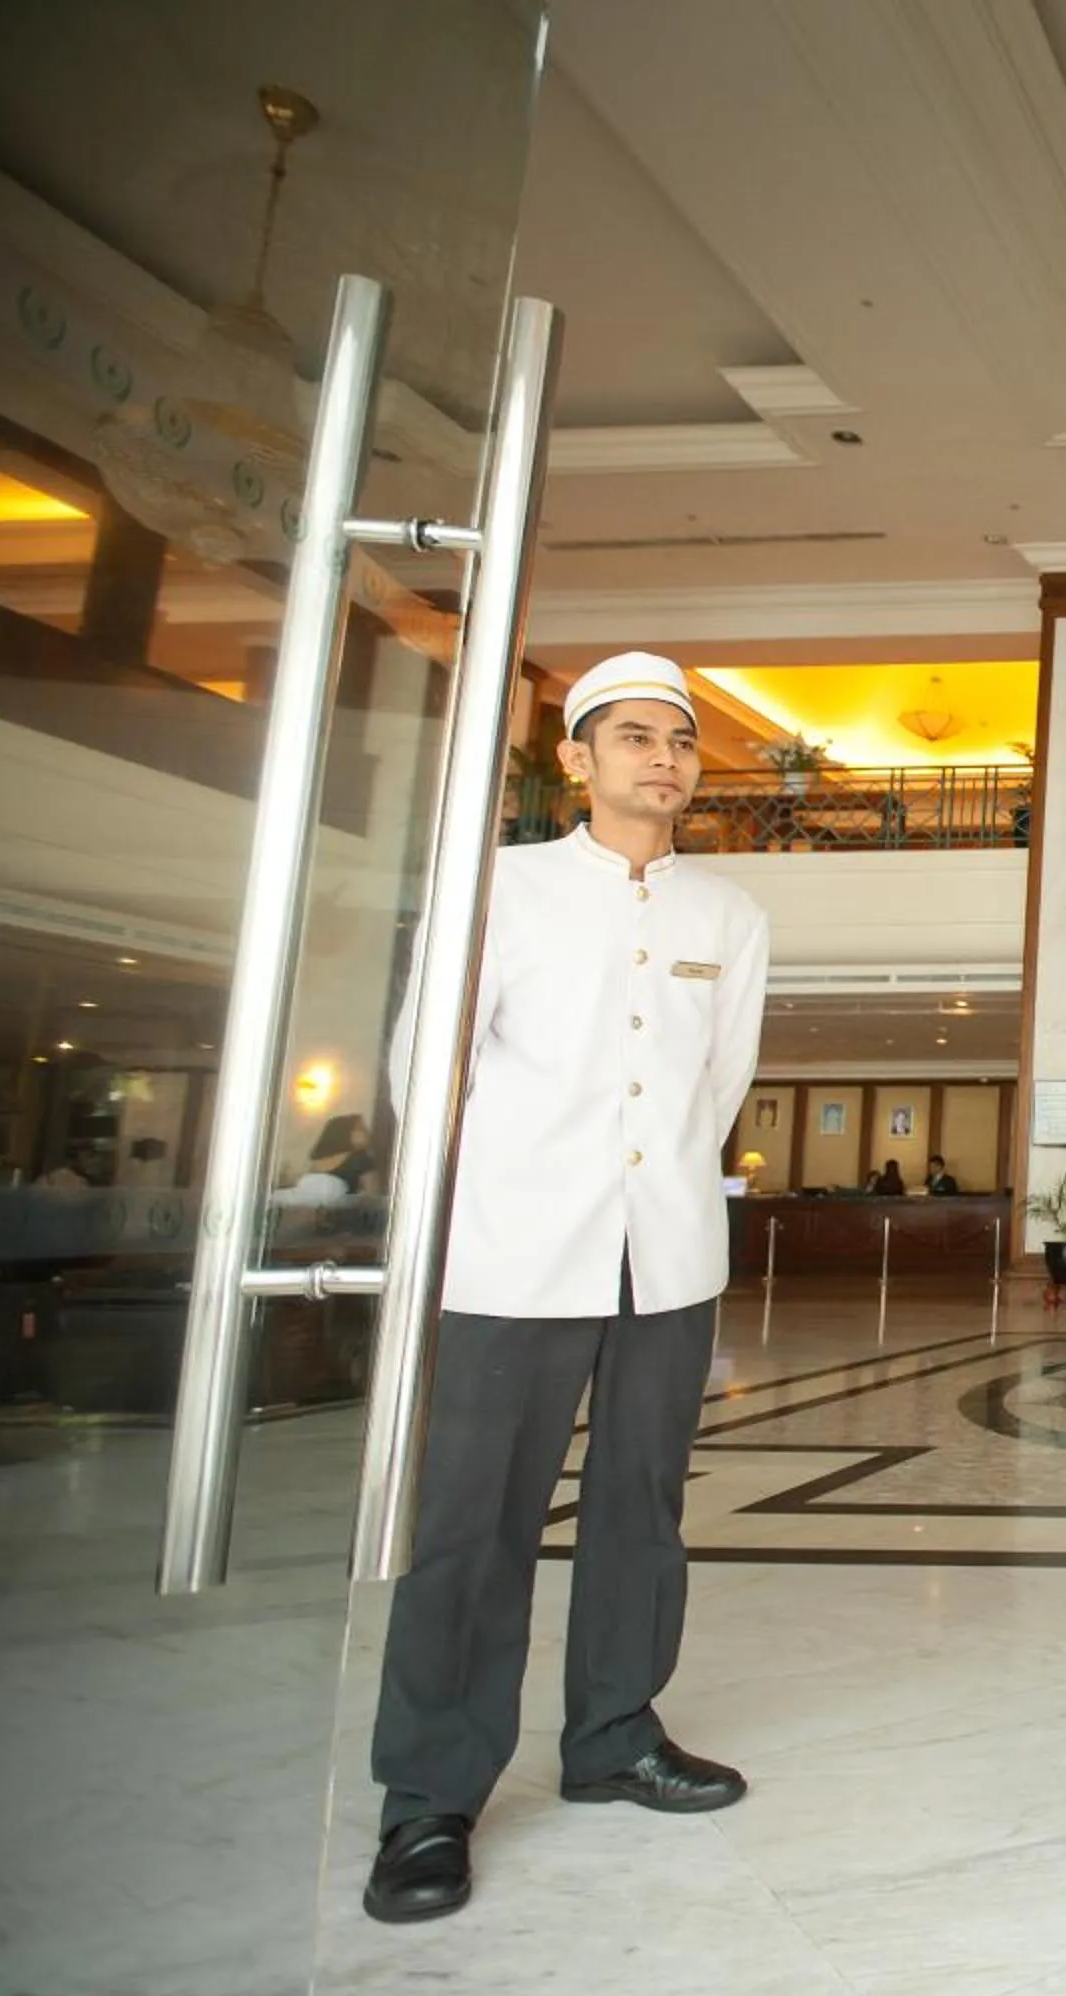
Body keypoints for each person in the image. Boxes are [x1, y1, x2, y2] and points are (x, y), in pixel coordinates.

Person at [363, 652, 770, 1926]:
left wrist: (662, 1192)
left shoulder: (731, 917)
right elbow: (425, 1074)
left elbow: (719, 1088)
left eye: (681, 741)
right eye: (634, 737)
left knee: (641, 1506)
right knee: (473, 1522)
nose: (664, 758)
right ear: (578, 762)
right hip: (515, 1251)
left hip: (668, 1256)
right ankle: (429, 1793)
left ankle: (612, 1734)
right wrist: (497, 1195)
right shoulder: (501, 887)